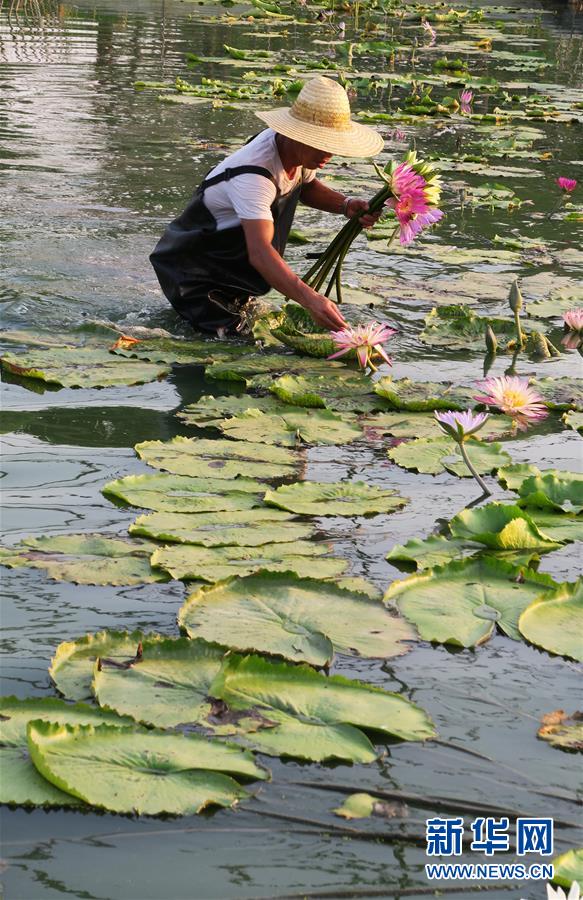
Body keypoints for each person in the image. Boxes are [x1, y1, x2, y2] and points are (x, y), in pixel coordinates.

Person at [150, 76, 384, 336]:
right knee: (235, 351)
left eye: (332, 145)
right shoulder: (254, 176)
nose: (329, 154)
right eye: (322, 144)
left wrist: (345, 204)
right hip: (195, 278)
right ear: (298, 134)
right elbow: (260, 253)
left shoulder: (296, 153)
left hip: (230, 274)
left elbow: (304, 188)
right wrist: (310, 299)